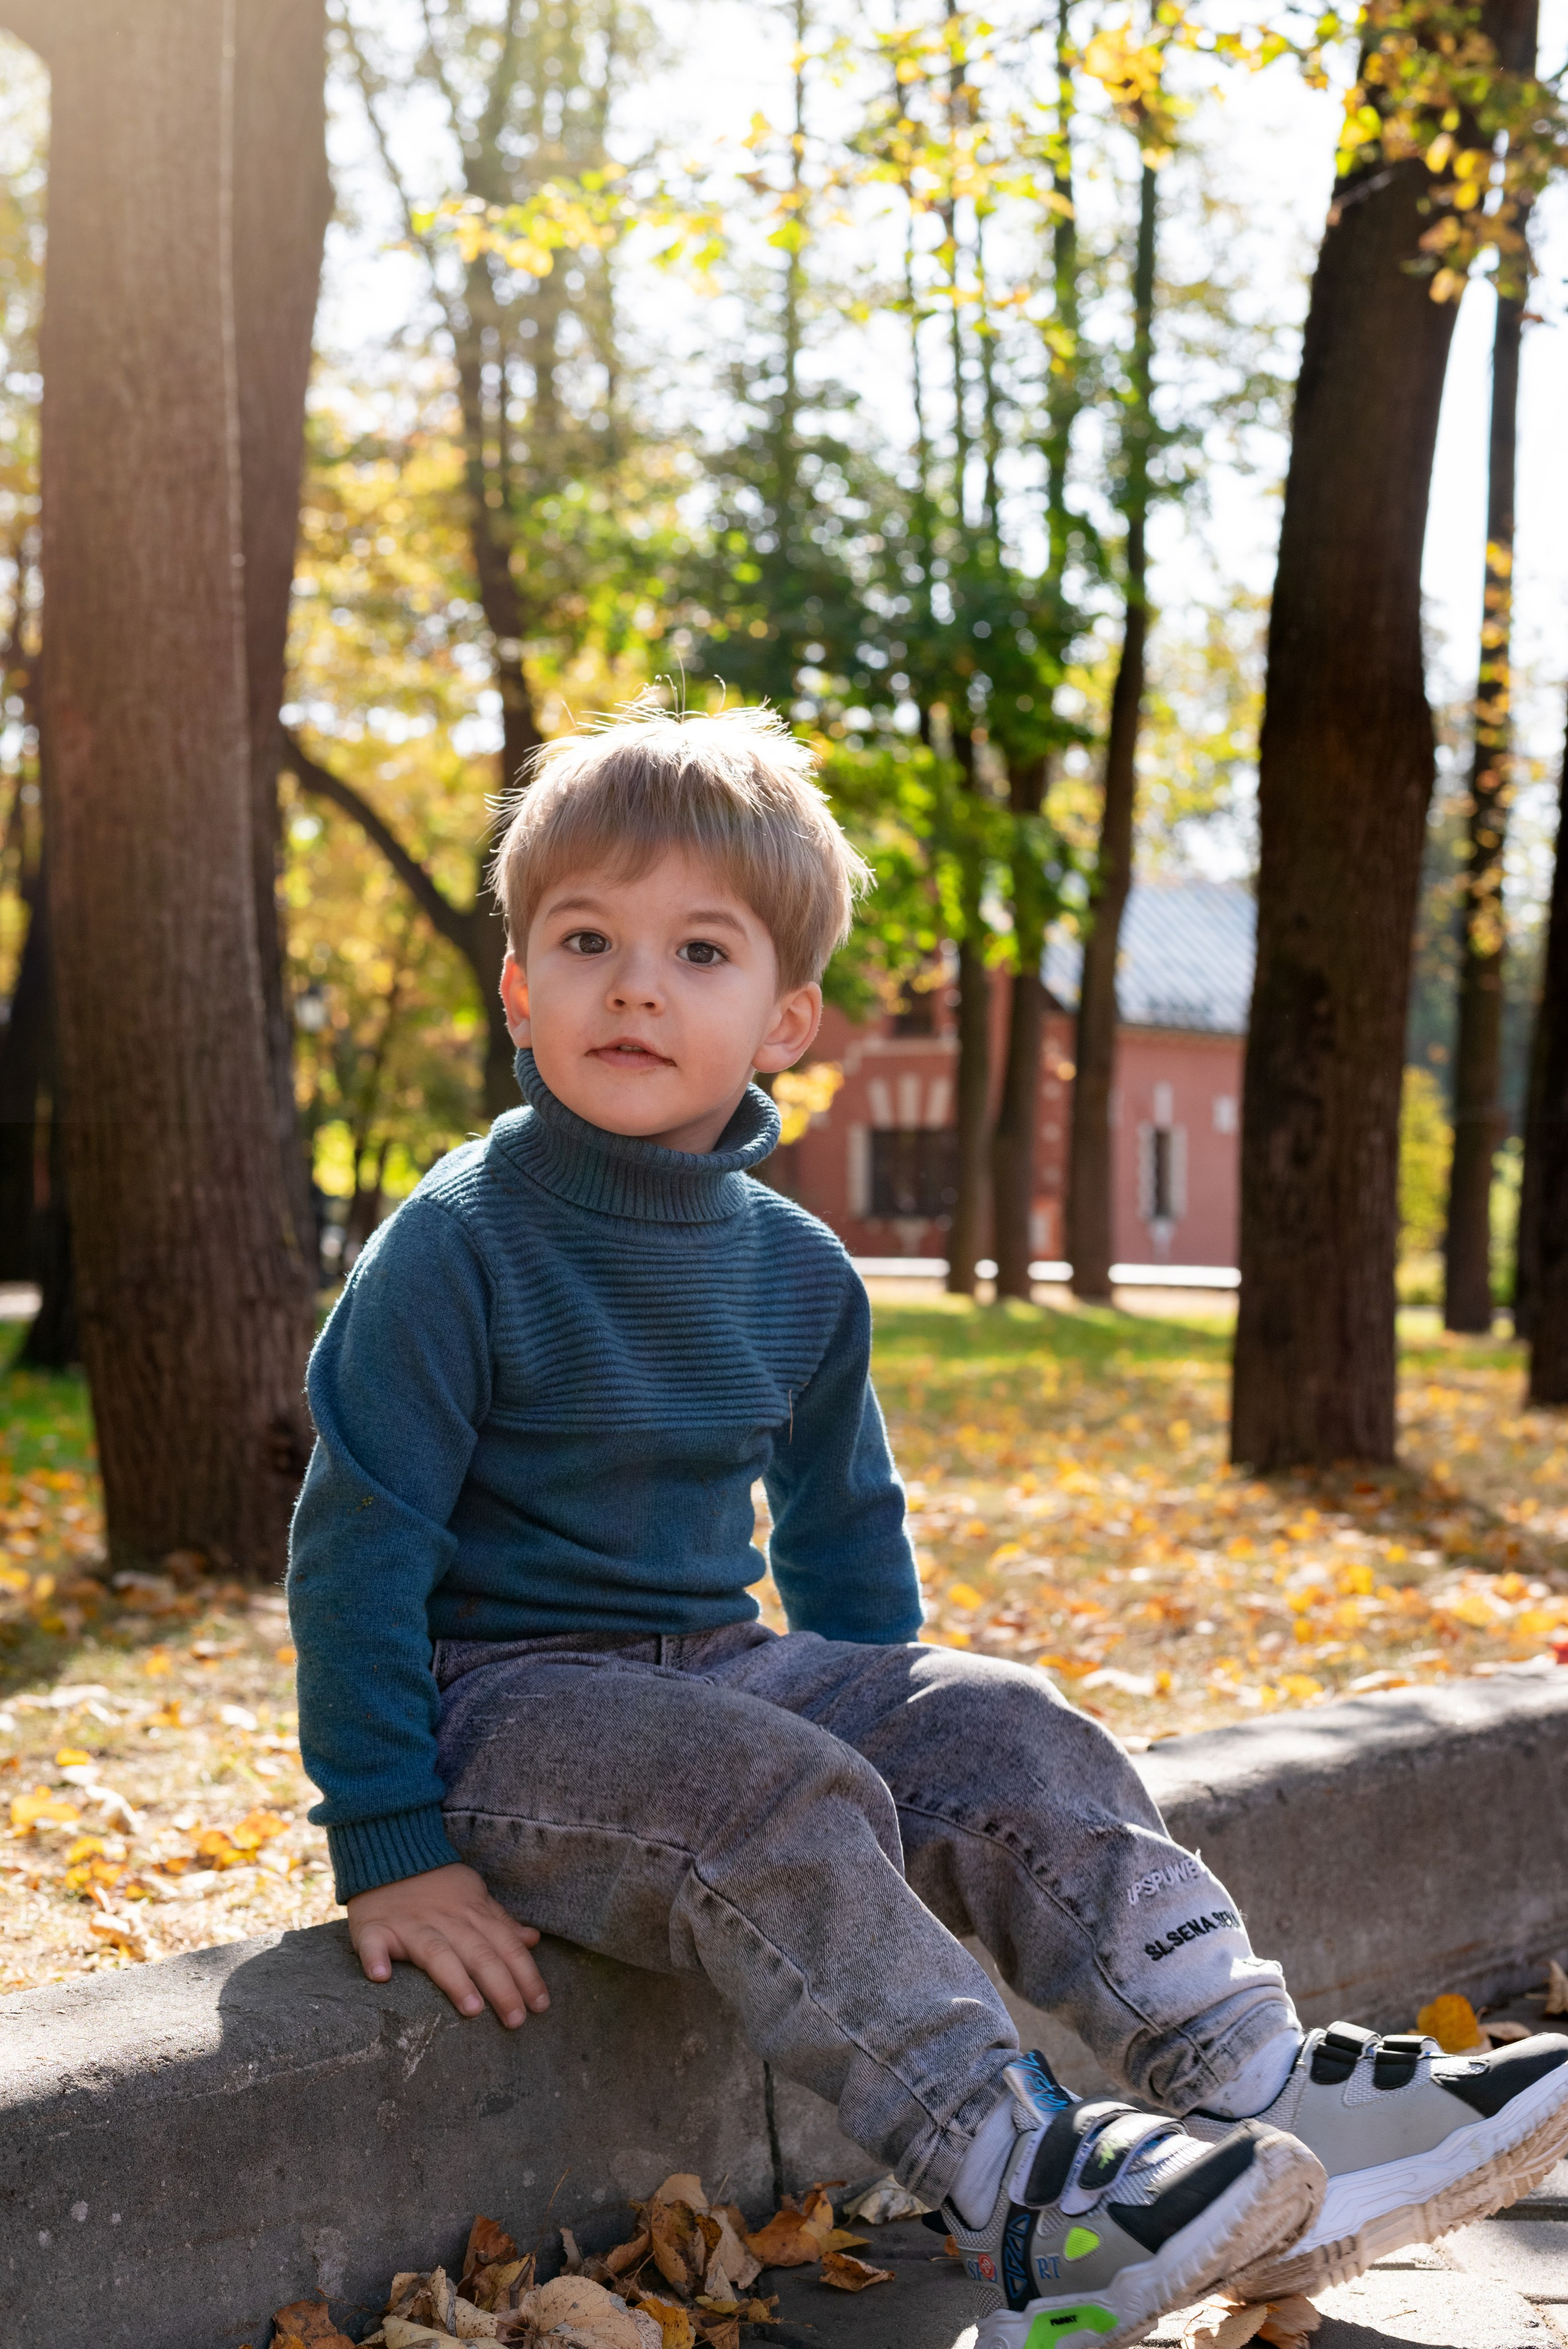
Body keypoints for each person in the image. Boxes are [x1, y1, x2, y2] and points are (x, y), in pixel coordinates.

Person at [287, 704, 1568, 2349]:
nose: (637, 984)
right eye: (587, 940)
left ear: (785, 1015)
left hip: (718, 1673)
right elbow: (356, 1545)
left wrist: (914, 1738)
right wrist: (388, 1836)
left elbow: (845, 1532)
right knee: (774, 1782)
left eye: (699, 948)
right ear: (520, 985)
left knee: (1005, 1719)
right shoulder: (455, 1245)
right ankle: (1028, 2179)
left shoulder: (797, 1267)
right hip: (507, 1708)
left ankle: (1261, 2079)